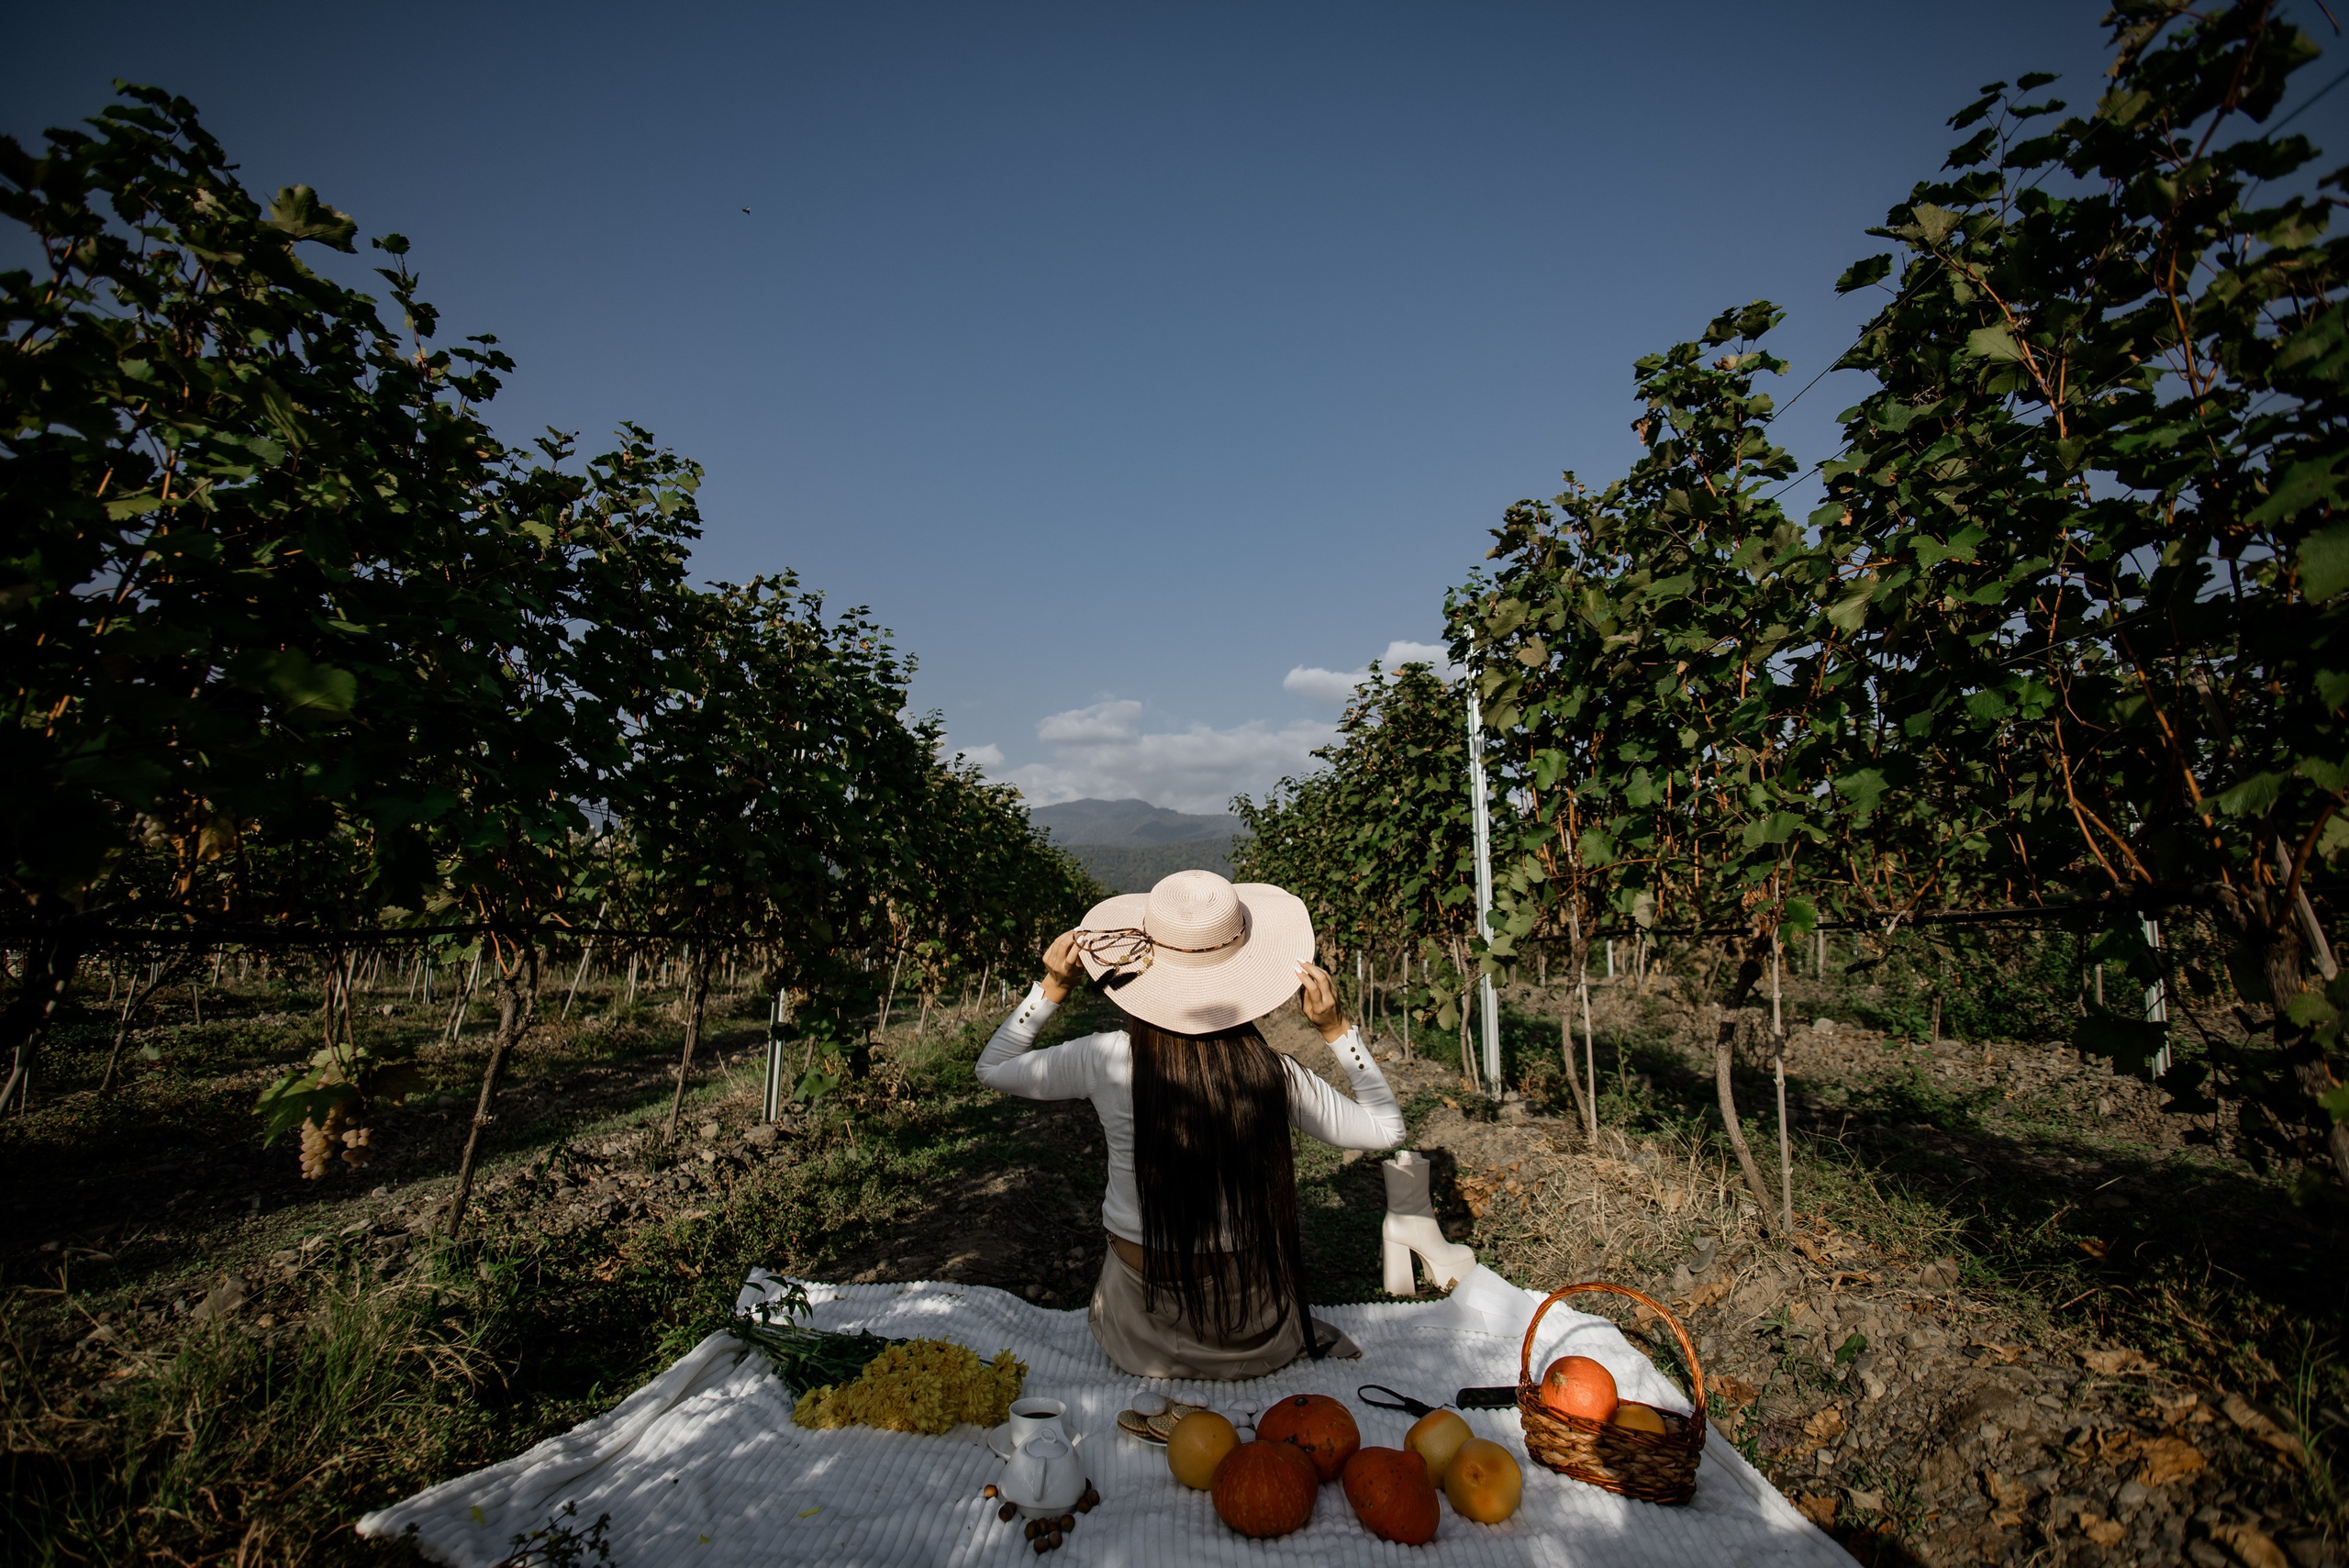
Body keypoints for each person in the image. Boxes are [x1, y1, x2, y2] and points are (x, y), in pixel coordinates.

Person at [976, 869, 1405, 1379]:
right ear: (1247, 972)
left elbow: (993, 1068)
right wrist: (1338, 1030)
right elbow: (1387, 1130)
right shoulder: (1273, 1073)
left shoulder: (1106, 1059)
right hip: (1248, 1321)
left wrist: (1052, 988)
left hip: (1137, 1326)